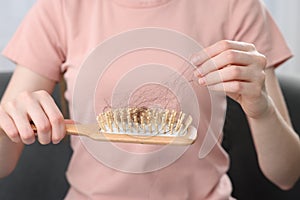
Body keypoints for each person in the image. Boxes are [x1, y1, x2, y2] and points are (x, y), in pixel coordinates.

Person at [0, 0, 299, 199]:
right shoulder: (62, 6)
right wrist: (11, 122)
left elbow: (287, 175)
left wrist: (262, 110)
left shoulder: (235, 5)